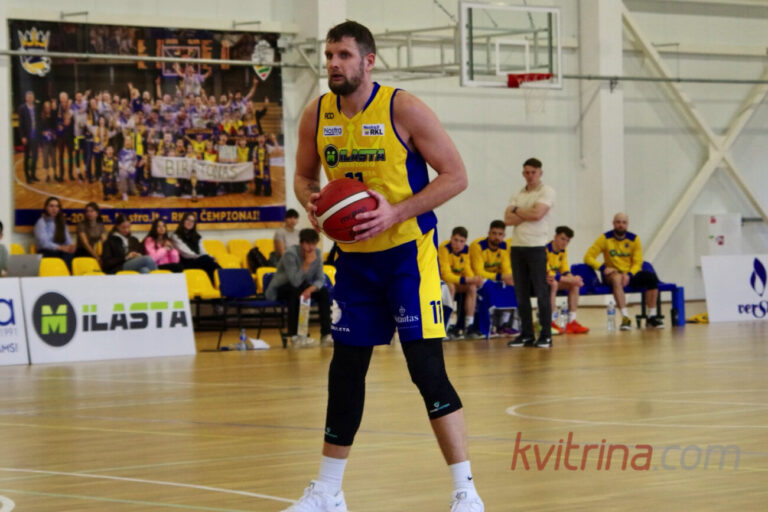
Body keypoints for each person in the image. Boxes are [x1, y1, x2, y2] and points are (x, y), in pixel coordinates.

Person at [288, 21, 483, 512]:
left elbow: (456, 175)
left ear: (368, 61)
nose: (333, 64)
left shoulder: (403, 108)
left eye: (344, 55)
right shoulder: (316, 113)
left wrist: (396, 212)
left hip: (407, 257)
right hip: (354, 262)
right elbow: (303, 176)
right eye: (329, 55)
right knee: (346, 370)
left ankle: (466, 492)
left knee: (426, 370)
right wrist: (312, 201)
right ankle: (328, 492)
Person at [504, 157, 556, 349]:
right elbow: (507, 219)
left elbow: (537, 215)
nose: (530, 175)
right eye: (526, 172)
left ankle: (546, 335)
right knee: (521, 293)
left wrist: (518, 210)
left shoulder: (546, 191)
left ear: (540, 173)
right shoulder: (518, 193)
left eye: (533, 172)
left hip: (536, 246)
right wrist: (527, 212)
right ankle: (526, 334)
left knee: (542, 292)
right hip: (517, 247)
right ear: (523, 173)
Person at [584, 212, 664, 329]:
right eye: (618, 222)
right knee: (617, 278)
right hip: (613, 274)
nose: (621, 225)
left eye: (624, 222)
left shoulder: (634, 239)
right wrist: (603, 268)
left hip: (629, 274)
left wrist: (629, 275)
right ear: (613, 223)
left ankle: (651, 317)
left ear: (627, 224)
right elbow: (588, 257)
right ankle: (625, 317)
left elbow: (637, 262)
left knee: (651, 277)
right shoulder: (604, 238)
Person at [265, 228, 332, 347]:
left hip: (302, 287)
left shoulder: (317, 253)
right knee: (295, 292)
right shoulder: (290, 254)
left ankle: (326, 334)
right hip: (281, 288)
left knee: (323, 292)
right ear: (301, 243)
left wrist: (310, 290)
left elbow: (320, 279)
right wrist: (306, 263)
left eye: (314, 244)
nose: (311, 247)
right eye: (308, 244)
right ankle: (295, 336)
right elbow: (295, 281)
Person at [469, 220, 516, 336]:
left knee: (512, 285)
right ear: (489, 233)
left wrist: (508, 277)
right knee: (487, 285)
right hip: (477, 279)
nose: (497, 237)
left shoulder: (504, 246)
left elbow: (506, 269)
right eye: (494, 233)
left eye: (500, 234)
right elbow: (478, 271)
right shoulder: (477, 245)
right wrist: (501, 276)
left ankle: (504, 324)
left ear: (504, 236)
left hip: (495, 279)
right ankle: (486, 325)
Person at [438, 226, 484, 339]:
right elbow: (445, 275)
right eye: (455, 240)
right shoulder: (444, 248)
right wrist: (468, 279)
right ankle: (446, 326)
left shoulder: (466, 251)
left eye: (461, 241)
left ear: (465, 242)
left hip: (456, 282)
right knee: (450, 287)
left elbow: (468, 272)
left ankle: (469, 326)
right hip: (441, 283)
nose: (458, 244)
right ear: (451, 238)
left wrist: (474, 279)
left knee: (472, 287)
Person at [545, 226, 589, 335]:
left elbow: (565, 271)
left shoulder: (563, 251)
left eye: (567, 241)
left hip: (551, 280)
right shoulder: (545, 249)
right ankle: (549, 322)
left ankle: (571, 322)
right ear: (555, 236)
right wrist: (571, 280)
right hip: (538, 281)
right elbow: (549, 273)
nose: (565, 243)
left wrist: (574, 279)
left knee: (574, 285)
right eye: (562, 239)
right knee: (554, 284)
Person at [170, 212, 220, 280]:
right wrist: (202, 257)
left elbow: (202, 251)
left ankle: (219, 281)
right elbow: (186, 253)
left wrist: (209, 257)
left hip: (198, 261)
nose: (190, 222)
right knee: (208, 262)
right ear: (183, 221)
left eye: (192, 221)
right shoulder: (176, 236)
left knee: (211, 263)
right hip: (186, 262)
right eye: (188, 220)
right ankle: (223, 279)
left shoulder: (197, 236)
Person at [34, 197, 76, 268]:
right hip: (46, 252)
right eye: (51, 206)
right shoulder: (41, 222)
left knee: (73, 254)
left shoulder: (61, 222)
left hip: (60, 252)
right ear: (46, 208)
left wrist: (71, 246)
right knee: (62, 256)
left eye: (57, 206)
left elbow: (67, 240)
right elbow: (43, 243)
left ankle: (66, 273)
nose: (54, 209)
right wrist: (60, 248)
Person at [17, 91, 41, 183]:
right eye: (29, 97)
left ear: (33, 98)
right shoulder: (22, 108)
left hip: (35, 136)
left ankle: (33, 175)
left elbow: (38, 121)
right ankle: (27, 177)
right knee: (27, 157)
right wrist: (22, 136)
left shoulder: (36, 108)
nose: (30, 98)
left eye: (32, 97)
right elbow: (21, 123)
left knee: (35, 156)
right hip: (27, 137)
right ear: (26, 98)